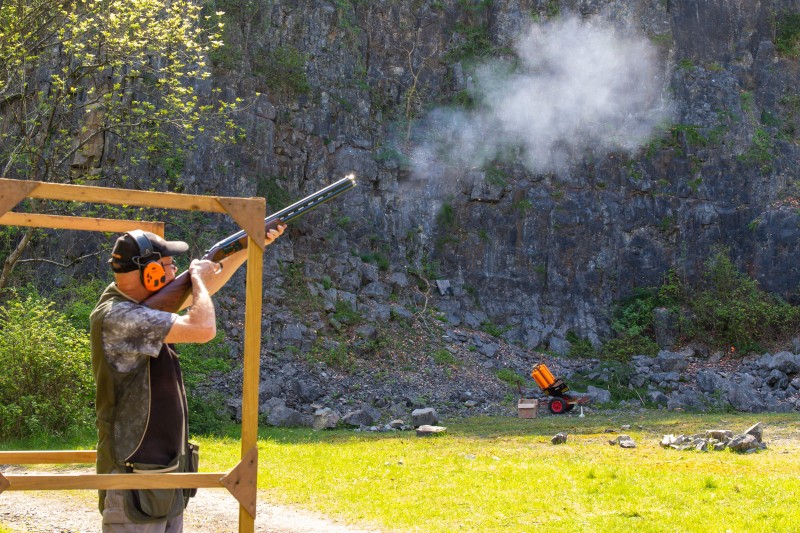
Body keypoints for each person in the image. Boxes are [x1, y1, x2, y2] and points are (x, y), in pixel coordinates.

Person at [90, 225, 284, 532]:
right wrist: (197, 280)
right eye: (168, 265)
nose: (175, 270)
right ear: (150, 272)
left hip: (161, 473)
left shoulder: (133, 303)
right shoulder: (119, 317)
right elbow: (203, 327)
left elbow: (207, 286)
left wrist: (246, 247)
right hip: (132, 480)